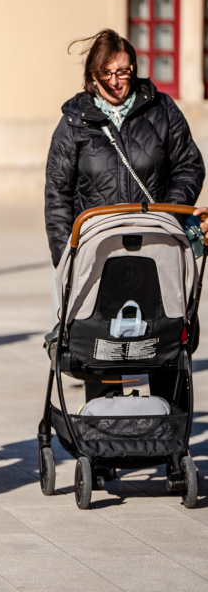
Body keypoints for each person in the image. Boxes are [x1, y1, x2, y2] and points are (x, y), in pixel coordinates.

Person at [44, 29, 205, 486]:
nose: (119, 81)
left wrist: (168, 216)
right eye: (109, 74)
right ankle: (105, 445)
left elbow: (190, 164)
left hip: (155, 250)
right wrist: (66, 253)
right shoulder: (75, 121)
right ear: (92, 75)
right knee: (103, 343)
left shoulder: (160, 109)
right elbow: (57, 193)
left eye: (126, 72)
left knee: (163, 341)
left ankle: (171, 448)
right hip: (100, 251)